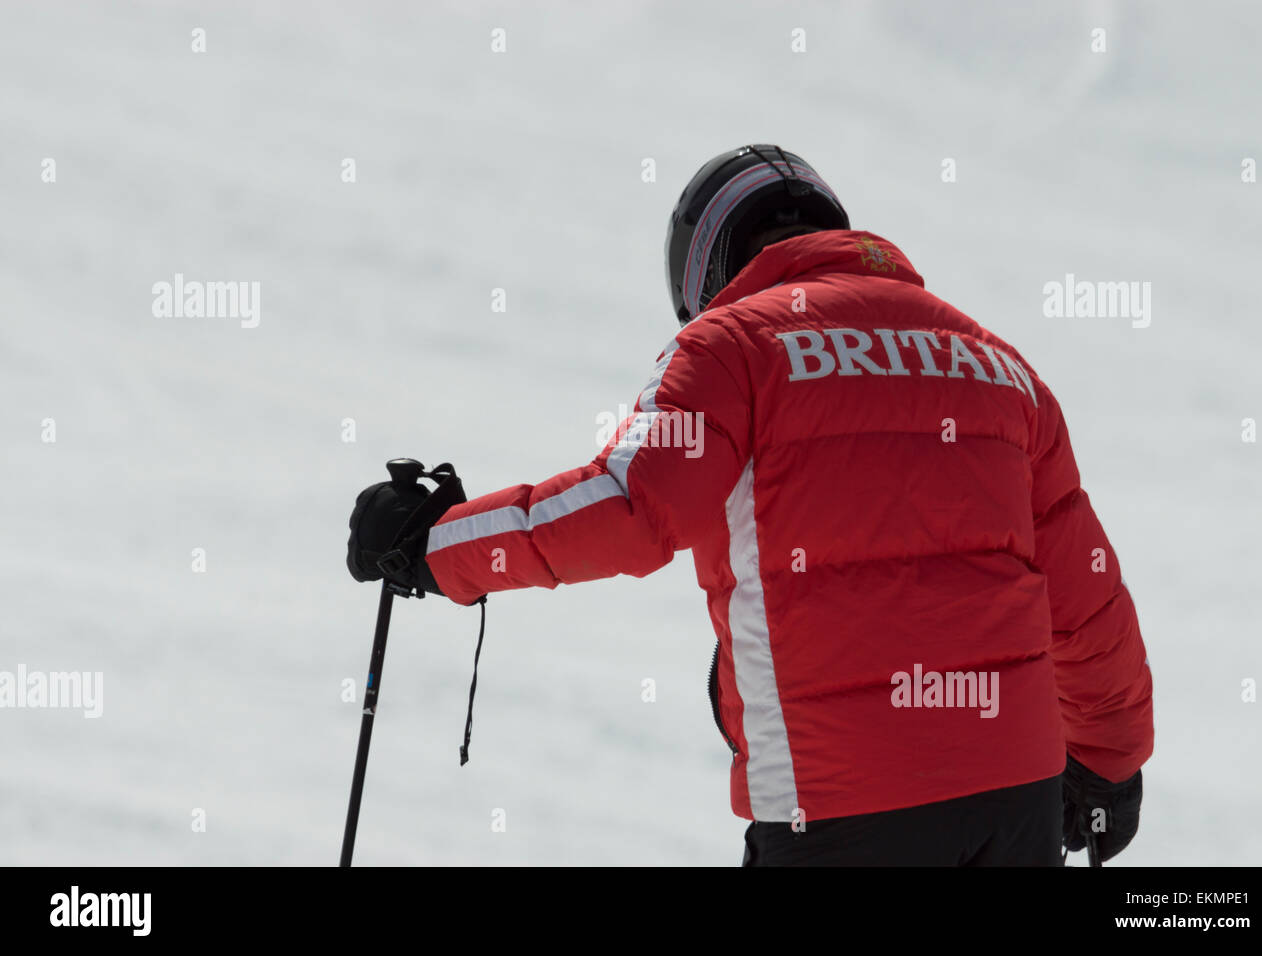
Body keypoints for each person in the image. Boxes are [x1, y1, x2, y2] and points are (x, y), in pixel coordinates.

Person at [346, 144, 1153, 866]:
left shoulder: (732, 347)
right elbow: (1086, 595)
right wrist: (1110, 762)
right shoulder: (996, 365)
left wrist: (433, 543)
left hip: (838, 807)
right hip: (1014, 803)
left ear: (707, 269)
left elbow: (627, 509)